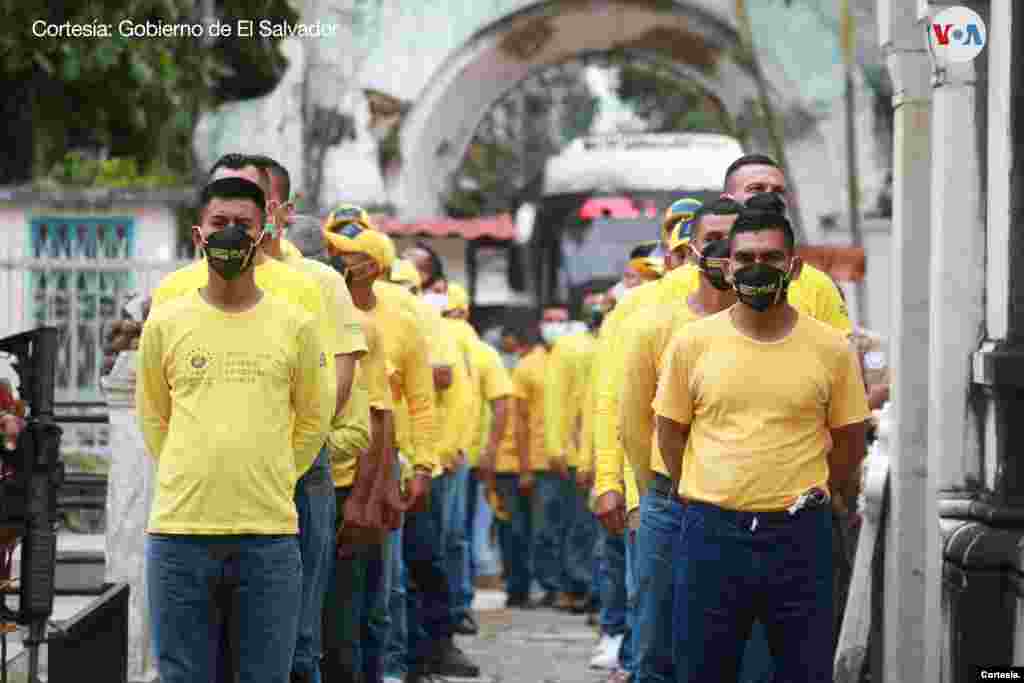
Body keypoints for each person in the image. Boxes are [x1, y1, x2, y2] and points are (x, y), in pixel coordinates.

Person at [653, 202, 869, 683]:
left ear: (792, 267)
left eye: (770, 259)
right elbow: (671, 431)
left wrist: (823, 490)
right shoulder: (693, 344)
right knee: (700, 671)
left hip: (800, 536)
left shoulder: (831, 348)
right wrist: (696, 490)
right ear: (727, 267)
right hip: (711, 534)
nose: (757, 268)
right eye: (745, 258)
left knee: (804, 670)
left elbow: (850, 437)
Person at [137, 177, 332, 683]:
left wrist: (272, 473)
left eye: (241, 225)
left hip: (267, 538)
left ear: (264, 231)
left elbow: (313, 417)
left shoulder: (294, 323)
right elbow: (154, 415)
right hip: (180, 536)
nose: (229, 234)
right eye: (218, 223)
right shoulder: (167, 321)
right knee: (182, 675)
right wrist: (194, 469)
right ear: (199, 234)